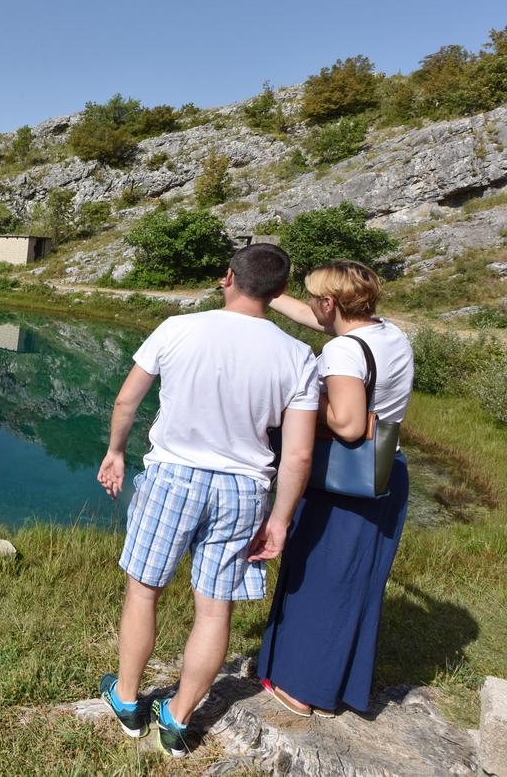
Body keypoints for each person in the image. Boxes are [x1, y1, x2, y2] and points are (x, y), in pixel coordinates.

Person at [96, 243, 319, 757]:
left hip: (173, 478)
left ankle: (128, 701)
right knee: (215, 610)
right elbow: (299, 455)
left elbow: (127, 399)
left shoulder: (179, 327)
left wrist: (115, 452)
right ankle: (176, 719)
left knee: (143, 592)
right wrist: (280, 520)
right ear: (281, 293)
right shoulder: (297, 354)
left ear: (227, 277)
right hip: (244, 490)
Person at [257, 260, 415, 717]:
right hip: (383, 473)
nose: (307, 304)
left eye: (312, 297)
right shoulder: (388, 333)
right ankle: (333, 690)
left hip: (341, 482)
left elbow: (346, 423)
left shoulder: (345, 352)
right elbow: (316, 319)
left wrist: (299, 401)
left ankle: (300, 688)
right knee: (356, 584)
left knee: (320, 579)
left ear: (330, 303)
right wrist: (265, 291)